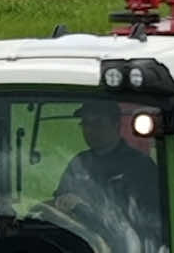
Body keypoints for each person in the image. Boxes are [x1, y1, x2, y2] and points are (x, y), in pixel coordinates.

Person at [53, 98, 162, 230]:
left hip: (125, 246)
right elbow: (60, 201)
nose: (89, 130)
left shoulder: (140, 166)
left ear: (116, 124)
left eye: (97, 123)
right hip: (81, 241)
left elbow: (149, 218)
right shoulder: (79, 163)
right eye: (85, 124)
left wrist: (86, 208)